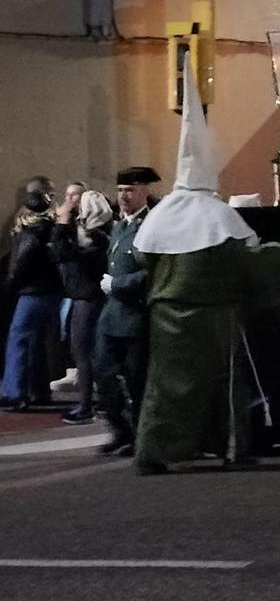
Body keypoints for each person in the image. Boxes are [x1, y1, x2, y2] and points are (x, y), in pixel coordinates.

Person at [133, 53, 280, 475]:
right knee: (225, 384)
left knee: (165, 387)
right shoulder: (217, 216)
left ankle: (154, 451)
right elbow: (247, 263)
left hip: (166, 313)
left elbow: (142, 257)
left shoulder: (160, 216)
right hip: (216, 314)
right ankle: (230, 446)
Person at [94, 165, 160, 454]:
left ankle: (139, 436)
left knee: (137, 380)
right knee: (105, 376)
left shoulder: (153, 226)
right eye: (120, 190)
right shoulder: (120, 226)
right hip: (112, 316)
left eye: (130, 190)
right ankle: (120, 430)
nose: (124, 196)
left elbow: (154, 272)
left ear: (145, 191)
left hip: (135, 315)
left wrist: (118, 285)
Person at [51, 189, 113, 424]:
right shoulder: (99, 234)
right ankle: (97, 403)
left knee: (83, 354)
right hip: (85, 297)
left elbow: (63, 253)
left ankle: (87, 405)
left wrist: (62, 223)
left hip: (88, 299)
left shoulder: (95, 237)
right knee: (87, 354)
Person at [0, 177, 61, 411]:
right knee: (35, 341)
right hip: (49, 288)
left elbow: (21, 261)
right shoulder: (53, 222)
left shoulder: (30, 226)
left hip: (33, 289)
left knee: (19, 337)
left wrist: (11, 283)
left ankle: (16, 392)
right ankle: (38, 390)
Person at [50, 181, 89, 394]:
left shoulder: (85, 224)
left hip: (82, 287)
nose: (70, 199)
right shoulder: (62, 219)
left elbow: (66, 252)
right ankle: (72, 371)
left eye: (75, 195)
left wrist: (63, 225)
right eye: (68, 194)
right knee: (66, 329)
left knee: (81, 333)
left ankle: (83, 377)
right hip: (67, 285)